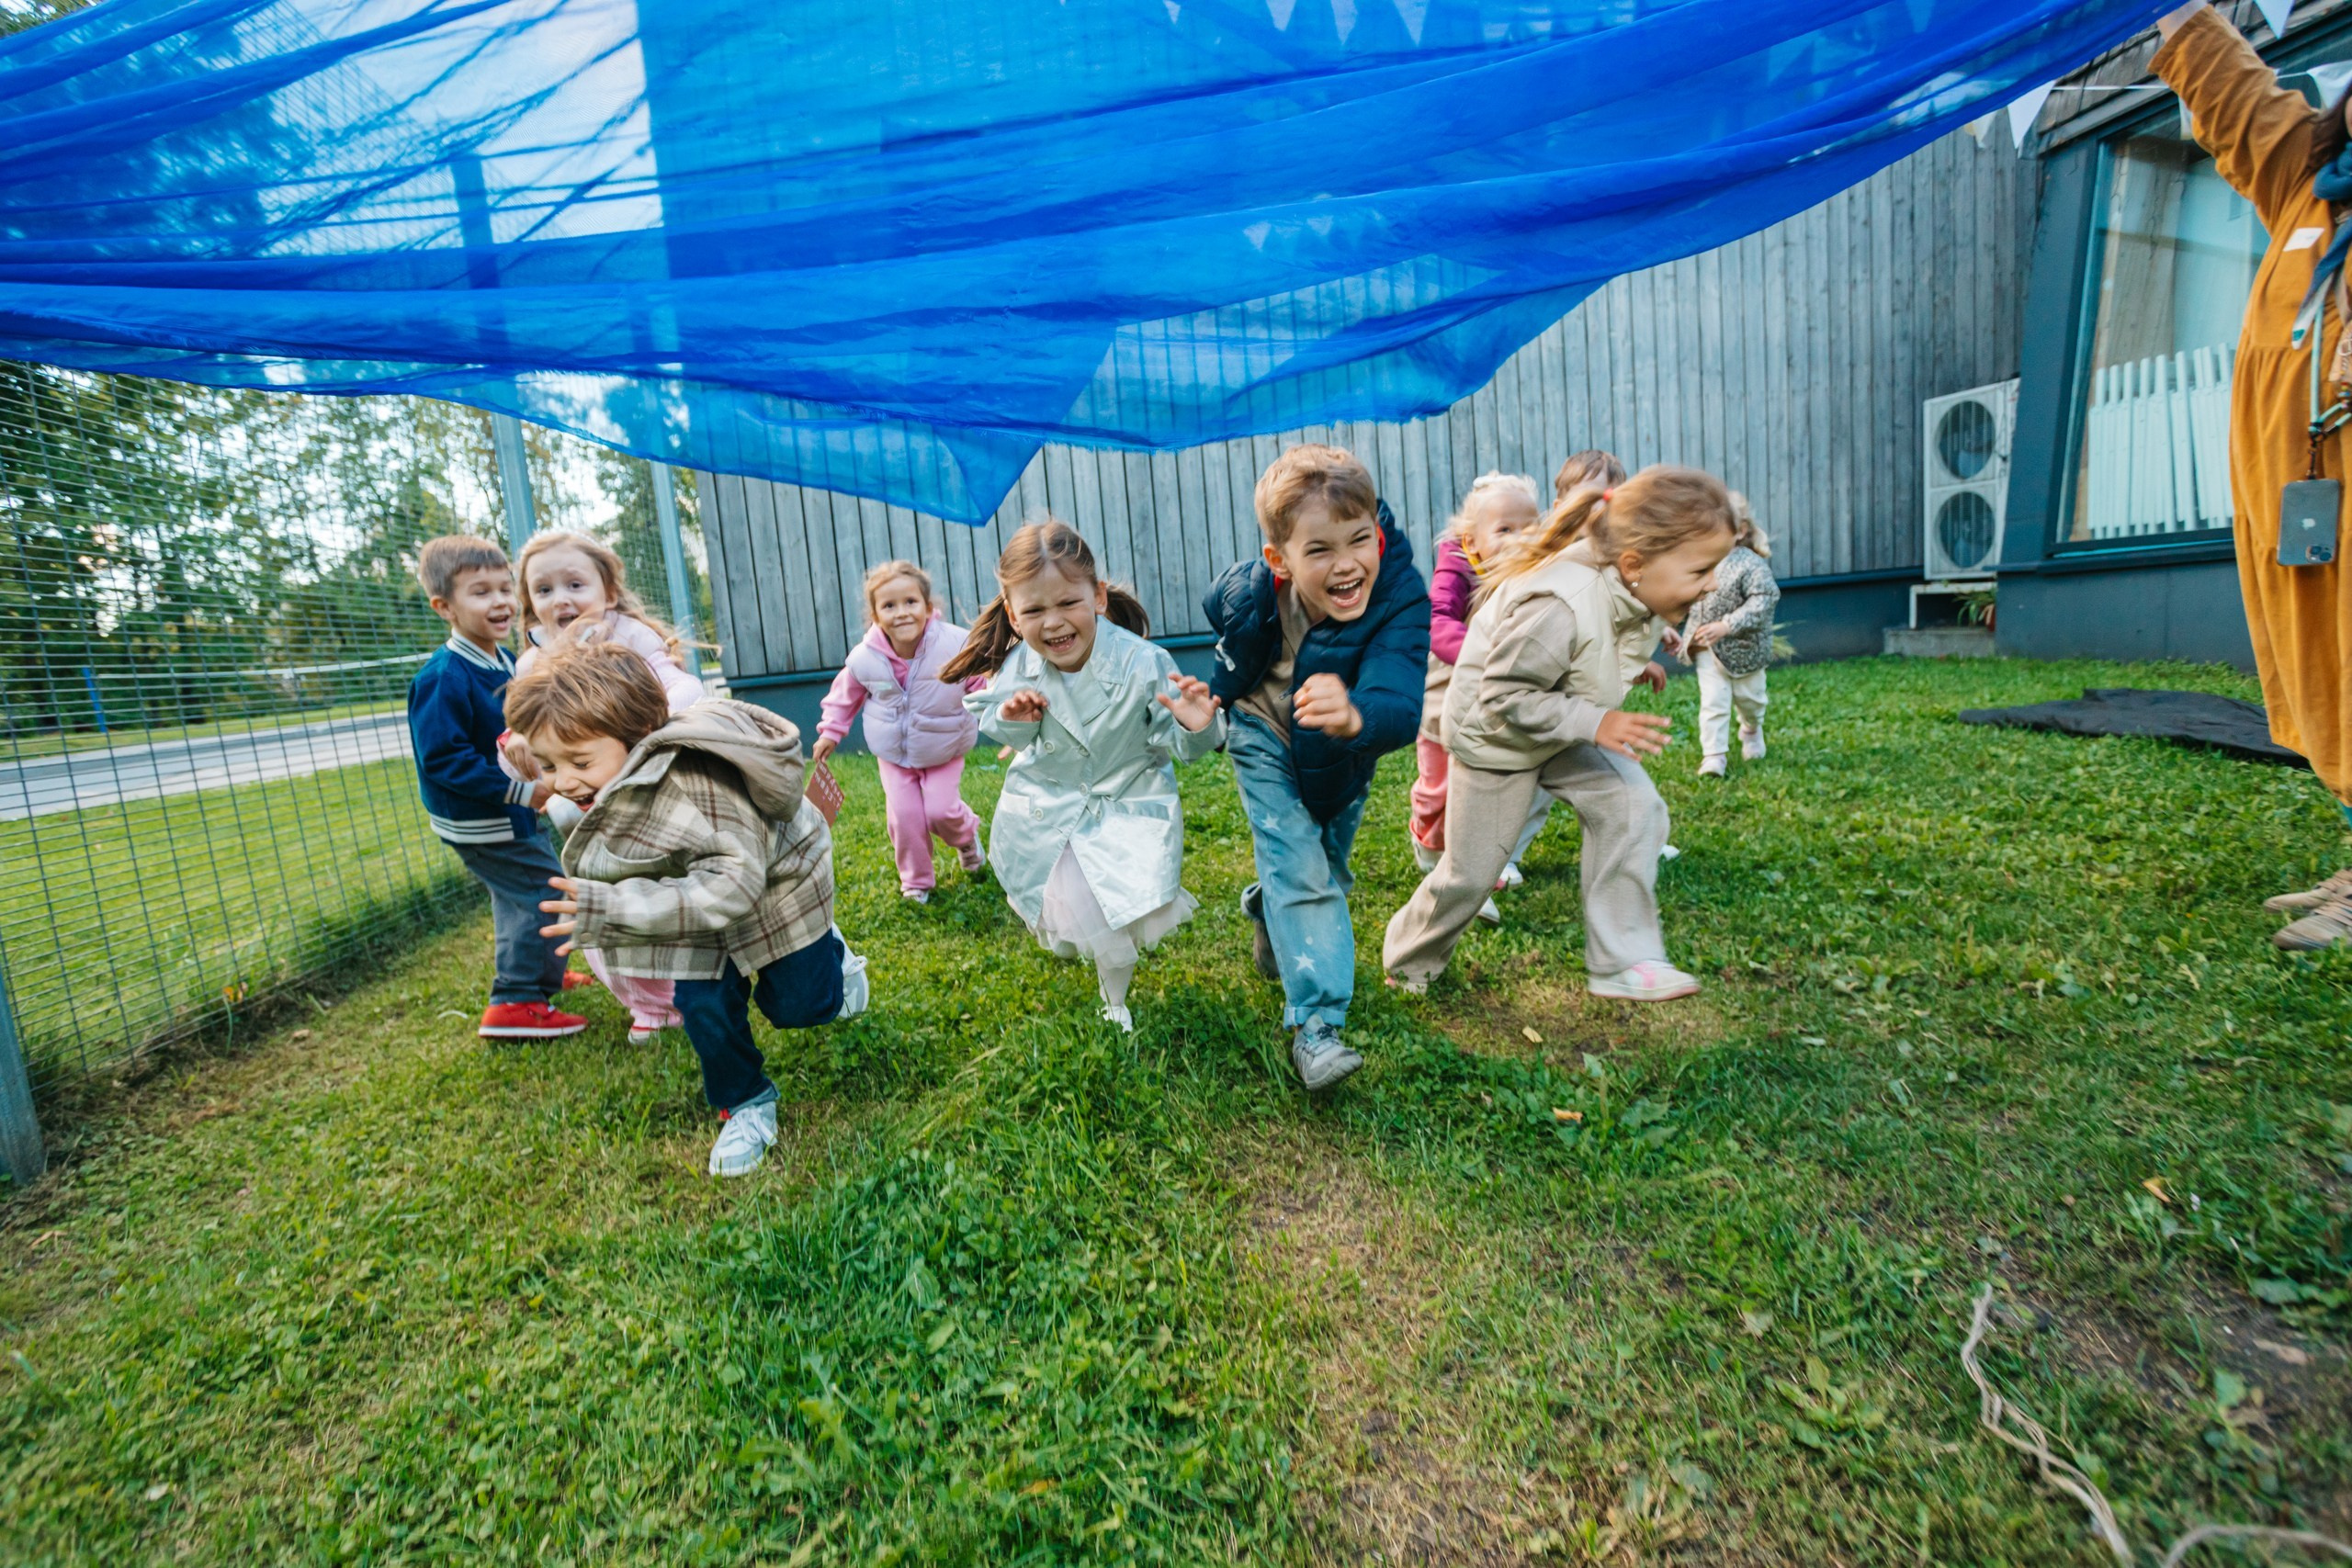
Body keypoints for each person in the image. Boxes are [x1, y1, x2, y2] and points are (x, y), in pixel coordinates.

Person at [511, 642, 868, 1179]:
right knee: (704, 1005)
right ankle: (746, 1103)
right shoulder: (609, 782)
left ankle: (832, 955)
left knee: (801, 1007)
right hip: (686, 899)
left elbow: (732, 886)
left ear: (637, 740)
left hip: (773, 884)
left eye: (579, 762)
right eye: (549, 765)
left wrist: (611, 907)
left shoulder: (694, 788)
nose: (562, 781)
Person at [1383, 467, 1736, 1001]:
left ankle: (1623, 961)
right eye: (1702, 569)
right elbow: (1503, 696)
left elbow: (1597, 642)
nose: (1712, 583)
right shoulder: (1558, 604)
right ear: (1636, 563)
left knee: (1633, 806)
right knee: (1472, 875)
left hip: (1557, 728)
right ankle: (1409, 961)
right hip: (1497, 739)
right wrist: (1598, 722)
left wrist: (1631, 666)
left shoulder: (1633, 587)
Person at [2154, 2, 2352, 949]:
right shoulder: (2312, 183)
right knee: (2319, 666)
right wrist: (2176, 14)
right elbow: (2236, 100)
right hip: (2296, 492)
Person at [1203, 445, 1430, 1091]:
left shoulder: (1400, 595)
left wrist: (1355, 714)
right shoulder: (1252, 587)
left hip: (1341, 747)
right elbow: (1226, 629)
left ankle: (1269, 909)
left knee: (1323, 865)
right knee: (1298, 862)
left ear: (1378, 532)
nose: (1347, 564)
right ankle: (1318, 1027)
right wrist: (1213, 694)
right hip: (1261, 730)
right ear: (1280, 560)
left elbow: (1398, 696)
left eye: (1360, 540)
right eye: (1320, 550)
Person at [943, 521, 1224, 1032]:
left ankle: (1114, 998)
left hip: (1127, 804)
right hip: (1049, 808)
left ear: (1096, 597)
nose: (1053, 623)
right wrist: (1016, 719)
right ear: (1013, 613)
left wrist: (1196, 722)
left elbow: (1181, 743)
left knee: (1113, 917)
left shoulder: (1143, 663)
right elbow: (993, 719)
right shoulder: (1017, 667)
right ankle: (1098, 967)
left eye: (1067, 603)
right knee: (1070, 910)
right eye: (1034, 610)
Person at [497, 528, 704, 1043]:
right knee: (599, 908)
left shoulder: (630, 637)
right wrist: (515, 750)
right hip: (589, 812)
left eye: (575, 584)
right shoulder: (530, 665)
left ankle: (696, 986)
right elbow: (518, 746)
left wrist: (650, 727)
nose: (560, 599)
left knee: (667, 895)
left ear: (607, 592)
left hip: (653, 795)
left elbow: (683, 686)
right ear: (530, 606)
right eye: (543, 590)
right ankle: (648, 1005)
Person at [404, 535, 587, 1042]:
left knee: (523, 895)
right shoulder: (443, 678)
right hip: (481, 819)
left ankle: (543, 972)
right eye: (481, 592)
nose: (502, 602)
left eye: (507, 589)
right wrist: (524, 793)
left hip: (513, 811)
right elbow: (444, 760)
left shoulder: (505, 661)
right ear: (445, 606)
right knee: (542, 892)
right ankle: (516, 1000)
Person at [809, 561, 987, 905]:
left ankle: (966, 838)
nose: (901, 613)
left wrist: (1000, 708)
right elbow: (844, 696)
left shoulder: (954, 644)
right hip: (894, 756)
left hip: (943, 748)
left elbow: (980, 681)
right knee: (905, 818)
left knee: (941, 811)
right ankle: (916, 881)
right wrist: (831, 731)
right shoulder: (866, 658)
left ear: (928, 607)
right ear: (875, 615)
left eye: (910, 602)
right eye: (889, 606)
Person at [1680, 491, 1781, 778]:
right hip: (1707, 648)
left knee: (1752, 700)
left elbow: (1764, 598)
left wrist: (1728, 625)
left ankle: (1751, 728)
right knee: (1713, 701)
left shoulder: (1749, 564)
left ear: (1740, 532)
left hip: (1745, 647)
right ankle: (1714, 756)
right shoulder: (1697, 561)